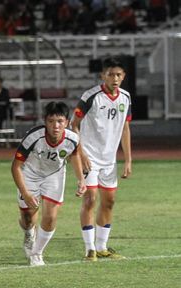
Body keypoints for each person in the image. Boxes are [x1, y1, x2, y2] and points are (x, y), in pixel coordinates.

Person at [71, 57, 132, 262]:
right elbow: (74, 125)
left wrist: (128, 160)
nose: (115, 78)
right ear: (102, 75)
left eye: (119, 75)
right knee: (90, 199)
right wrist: (82, 153)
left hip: (109, 161)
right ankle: (90, 249)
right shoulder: (91, 96)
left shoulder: (125, 97)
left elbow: (125, 128)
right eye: (111, 74)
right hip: (90, 158)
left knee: (110, 201)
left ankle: (102, 247)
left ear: (123, 76)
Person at [12, 102, 86, 266]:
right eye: (51, 121)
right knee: (27, 217)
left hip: (54, 174)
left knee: (51, 216)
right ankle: (29, 233)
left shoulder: (72, 139)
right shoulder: (33, 137)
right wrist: (25, 193)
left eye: (60, 121)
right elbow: (15, 166)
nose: (56, 126)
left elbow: (74, 155)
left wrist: (81, 179)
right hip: (30, 174)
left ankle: (37, 254)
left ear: (67, 122)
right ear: (45, 121)